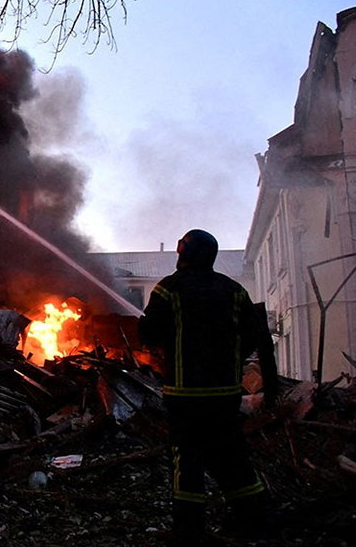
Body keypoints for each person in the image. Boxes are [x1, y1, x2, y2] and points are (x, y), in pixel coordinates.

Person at [138, 229, 278, 545]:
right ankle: (254, 519)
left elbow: (148, 333)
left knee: (186, 462)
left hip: (184, 397)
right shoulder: (234, 291)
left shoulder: (168, 290)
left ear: (184, 253)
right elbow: (255, 335)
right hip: (225, 396)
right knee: (232, 456)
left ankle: (190, 532)